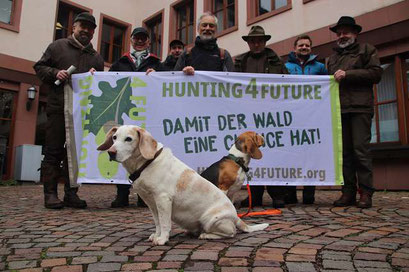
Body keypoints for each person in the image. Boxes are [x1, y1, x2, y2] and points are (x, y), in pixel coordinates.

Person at [34, 12, 104, 209]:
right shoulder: (57, 47)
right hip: (58, 108)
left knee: (74, 154)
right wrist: (56, 72)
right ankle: (50, 194)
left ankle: (71, 193)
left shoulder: (96, 57)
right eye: (82, 26)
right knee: (54, 151)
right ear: (73, 27)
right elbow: (39, 67)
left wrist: (95, 77)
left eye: (90, 29)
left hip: (81, 113)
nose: (86, 31)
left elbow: (98, 86)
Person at [327, 16, 382, 208]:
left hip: (360, 108)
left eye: (346, 32)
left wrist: (348, 74)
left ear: (355, 33)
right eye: (339, 33)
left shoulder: (367, 50)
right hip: (339, 110)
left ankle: (366, 193)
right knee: (346, 154)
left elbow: (376, 74)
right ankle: (347, 192)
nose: (342, 36)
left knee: (361, 150)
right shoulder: (332, 58)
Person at [234, 25, 288, 209]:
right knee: (251, 154)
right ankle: (254, 196)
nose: (256, 43)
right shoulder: (239, 62)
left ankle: (277, 195)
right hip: (248, 114)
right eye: (253, 41)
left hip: (271, 114)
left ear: (265, 42)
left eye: (259, 41)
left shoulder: (277, 61)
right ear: (248, 43)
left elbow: (287, 85)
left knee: (272, 154)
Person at [109, 27, 161, 208]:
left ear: (148, 42)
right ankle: (121, 194)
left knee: (143, 153)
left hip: (147, 113)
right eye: (136, 38)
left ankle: (142, 195)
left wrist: (157, 75)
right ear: (131, 40)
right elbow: (108, 81)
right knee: (122, 150)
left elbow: (166, 82)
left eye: (143, 39)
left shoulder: (157, 63)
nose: (139, 41)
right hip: (125, 113)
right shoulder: (120, 62)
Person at [284, 34, 327, 205]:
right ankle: (290, 194)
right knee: (290, 156)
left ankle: (309, 194)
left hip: (312, 117)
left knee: (311, 156)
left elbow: (326, 89)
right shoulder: (285, 67)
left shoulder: (320, 67)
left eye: (307, 46)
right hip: (291, 118)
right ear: (294, 48)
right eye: (300, 45)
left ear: (311, 48)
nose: (304, 48)